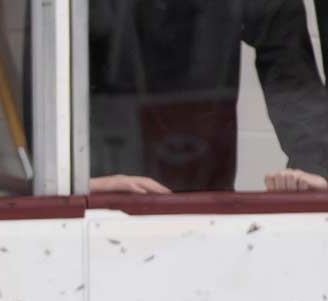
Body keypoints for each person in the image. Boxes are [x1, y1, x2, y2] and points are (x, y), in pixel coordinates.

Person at [88, 0, 328, 194]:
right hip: (106, 190)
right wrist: (83, 183)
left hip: (206, 194)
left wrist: (313, 167)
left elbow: (288, 67)